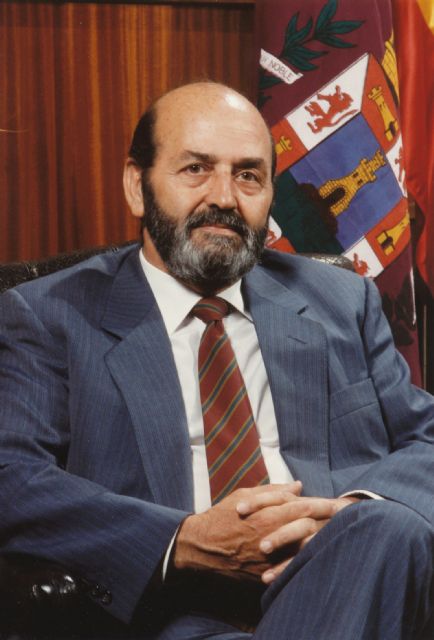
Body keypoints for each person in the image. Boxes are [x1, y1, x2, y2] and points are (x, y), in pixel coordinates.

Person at [0, 81, 434, 640]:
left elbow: (426, 437)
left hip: (348, 581)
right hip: (177, 613)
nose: (225, 198)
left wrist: (350, 513)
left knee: (389, 527)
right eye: (196, 169)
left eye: (248, 175)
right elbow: (12, 478)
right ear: (137, 186)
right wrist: (184, 541)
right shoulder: (50, 315)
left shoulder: (341, 300)